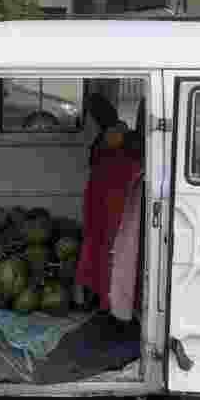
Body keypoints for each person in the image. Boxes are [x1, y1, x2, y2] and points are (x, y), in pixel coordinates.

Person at [76, 93, 144, 320]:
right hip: (113, 202)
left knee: (103, 251)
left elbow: (94, 163)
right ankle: (107, 300)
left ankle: (105, 301)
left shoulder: (111, 139)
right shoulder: (129, 137)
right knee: (111, 252)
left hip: (108, 202)